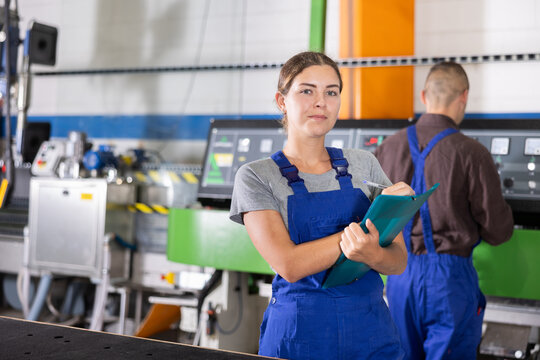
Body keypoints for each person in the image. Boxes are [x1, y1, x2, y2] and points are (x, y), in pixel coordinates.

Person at [230, 51, 413, 360]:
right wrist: (356, 242)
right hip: (299, 336)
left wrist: (375, 253)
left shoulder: (364, 165)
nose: (321, 102)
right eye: (307, 91)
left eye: (331, 92)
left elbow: (398, 262)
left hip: (371, 335)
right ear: (281, 100)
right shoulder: (257, 177)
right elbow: (289, 265)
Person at [374, 62, 514, 359]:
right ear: (463, 97)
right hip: (450, 284)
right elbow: (498, 231)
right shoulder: (472, 153)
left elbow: (373, 215)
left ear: (424, 96)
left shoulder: (387, 147)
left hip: (399, 276)